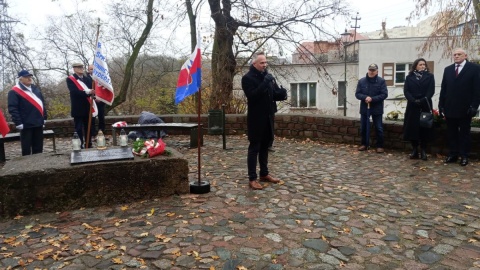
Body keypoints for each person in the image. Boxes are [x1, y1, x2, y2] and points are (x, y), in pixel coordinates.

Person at [241, 52, 284, 190]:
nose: (265, 65)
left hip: (268, 117)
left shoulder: (268, 76)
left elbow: (273, 94)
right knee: (255, 148)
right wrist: (265, 82)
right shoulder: (247, 78)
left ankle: (264, 174)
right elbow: (252, 96)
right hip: (256, 119)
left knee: (265, 146)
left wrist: (282, 94)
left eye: (265, 62)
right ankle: (252, 178)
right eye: (262, 63)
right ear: (254, 64)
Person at [438, 48, 480, 166]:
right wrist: (441, 105)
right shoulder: (448, 70)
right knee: (451, 133)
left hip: (466, 108)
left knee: (464, 133)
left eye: (459, 54)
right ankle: (453, 154)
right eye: (455, 54)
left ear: (465, 56)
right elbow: (444, 89)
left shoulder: (474, 68)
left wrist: (474, 106)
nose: (456, 56)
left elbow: (477, 89)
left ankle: (464, 156)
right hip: (450, 107)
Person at [7, 69, 47, 156]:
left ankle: (38, 164)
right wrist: (18, 122)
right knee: (26, 149)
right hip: (26, 124)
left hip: (38, 122)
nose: (29, 78)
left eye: (30, 76)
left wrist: (44, 117)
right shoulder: (14, 91)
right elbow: (13, 108)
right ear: (20, 79)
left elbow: (42, 104)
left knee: (38, 148)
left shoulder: (35, 89)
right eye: (26, 77)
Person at [402, 58, 435, 160]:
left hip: (425, 104)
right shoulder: (409, 77)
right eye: (420, 65)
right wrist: (413, 100)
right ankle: (415, 150)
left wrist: (423, 100)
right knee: (413, 128)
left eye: (424, 65)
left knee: (424, 128)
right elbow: (406, 91)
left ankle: (424, 151)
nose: (422, 66)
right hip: (412, 105)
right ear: (415, 66)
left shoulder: (430, 76)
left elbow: (431, 90)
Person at [355, 63, 388, 153]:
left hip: (377, 108)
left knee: (378, 128)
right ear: (368, 70)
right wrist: (365, 97)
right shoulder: (362, 81)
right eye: (370, 70)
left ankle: (380, 146)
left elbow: (384, 94)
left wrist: (372, 99)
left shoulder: (381, 81)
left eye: (373, 70)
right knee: (363, 127)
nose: (371, 72)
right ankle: (364, 144)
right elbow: (357, 94)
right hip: (365, 108)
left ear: (377, 71)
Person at [67, 63, 96, 148]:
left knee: (88, 127)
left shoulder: (88, 79)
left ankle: (88, 143)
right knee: (79, 128)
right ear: (74, 69)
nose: (81, 69)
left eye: (82, 67)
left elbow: (93, 91)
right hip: (78, 107)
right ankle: (80, 144)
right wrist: (87, 92)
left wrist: (93, 94)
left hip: (88, 106)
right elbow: (74, 92)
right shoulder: (70, 79)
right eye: (78, 67)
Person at [87, 64, 106, 135]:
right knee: (92, 118)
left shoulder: (100, 78)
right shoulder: (86, 79)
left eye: (93, 69)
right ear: (88, 70)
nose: (92, 70)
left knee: (101, 117)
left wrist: (100, 97)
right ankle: (93, 134)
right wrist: (94, 98)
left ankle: (101, 132)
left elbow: (104, 89)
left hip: (101, 101)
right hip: (92, 101)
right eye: (91, 69)